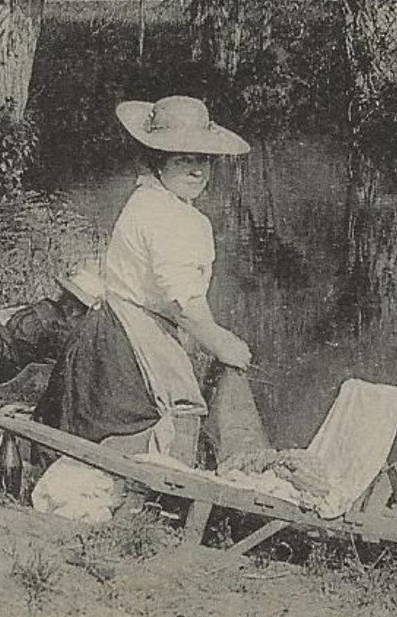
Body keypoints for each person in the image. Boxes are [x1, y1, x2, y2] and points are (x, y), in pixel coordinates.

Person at [32, 96, 254, 470]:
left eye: (202, 159)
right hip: (125, 345)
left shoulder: (168, 206)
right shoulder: (161, 212)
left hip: (120, 334)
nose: (197, 170)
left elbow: (190, 298)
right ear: (159, 161)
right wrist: (220, 341)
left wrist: (209, 339)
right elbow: (182, 301)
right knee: (167, 426)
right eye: (183, 159)